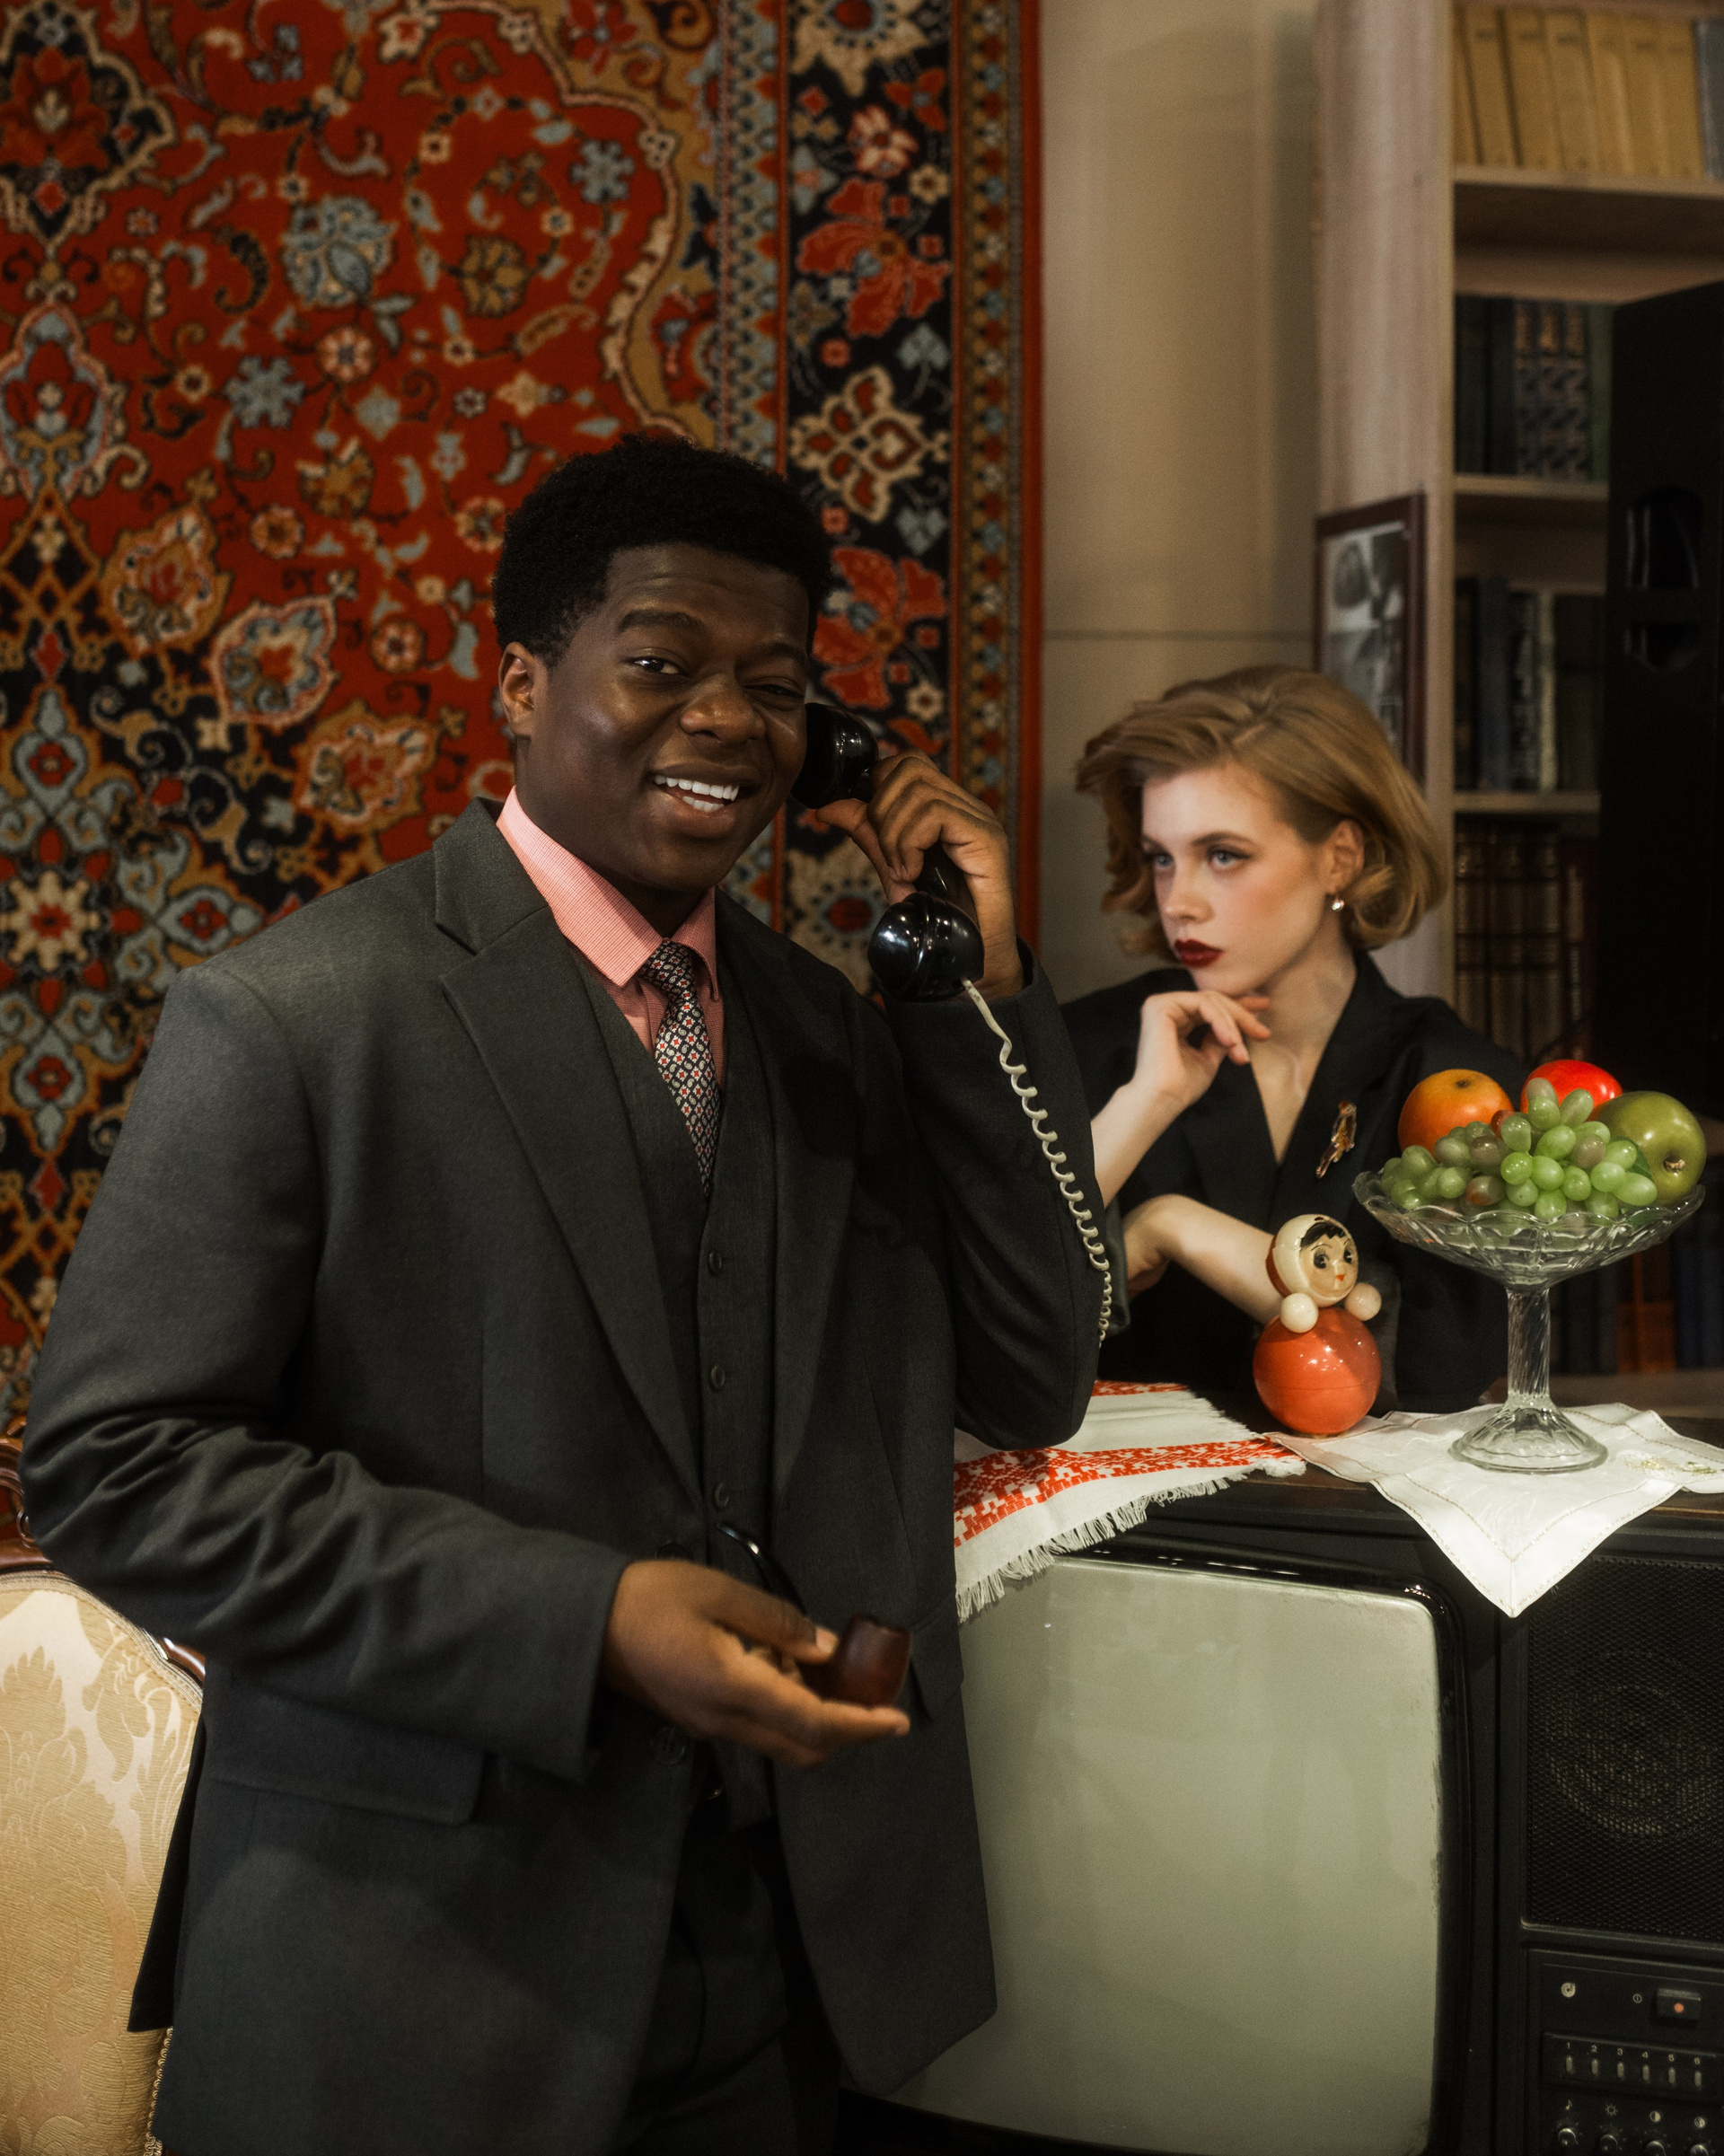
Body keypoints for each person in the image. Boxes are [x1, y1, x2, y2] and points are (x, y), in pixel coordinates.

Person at [21, 433, 1104, 2156]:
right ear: (523, 684)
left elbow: (1036, 1368)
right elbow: (115, 1472)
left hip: (785, 1969)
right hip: (411, 1974)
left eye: (776, 686)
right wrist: (581, 1621)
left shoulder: (839, 1039)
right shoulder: (297, 1017)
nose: (727, 721)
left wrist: (971, 992)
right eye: (663, 664)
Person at [1062, 664, 1523, 1413]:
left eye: (1223, 855)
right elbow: (991, 1324)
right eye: (1161, 857)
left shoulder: (1450, 1077)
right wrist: (1141, 1106)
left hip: (1353, 1491)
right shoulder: (1088, 1045)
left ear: (1340, 856)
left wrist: (1173, 1225)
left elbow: (1425, 1369)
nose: (1180, 902)